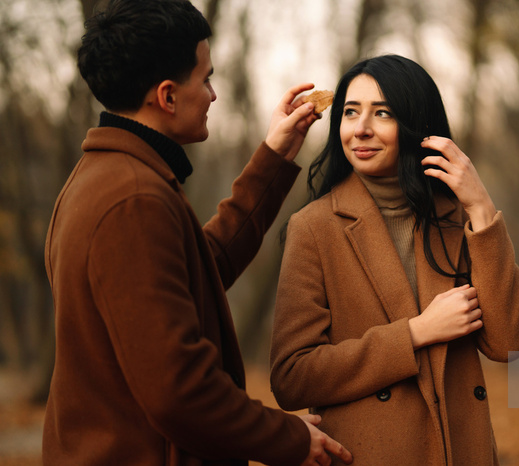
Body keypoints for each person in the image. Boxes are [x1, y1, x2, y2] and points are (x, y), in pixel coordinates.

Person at [43, 1, 353, 465]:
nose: (213, 95)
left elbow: (198, 273)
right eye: (205, 79)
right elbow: (178, 388)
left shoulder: (108, 176)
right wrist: (286, 438)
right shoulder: (133, 201)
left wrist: (273, 155)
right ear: (167, 96)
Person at [269, 54, 519, 465]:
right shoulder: (315, 227)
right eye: (350, 112)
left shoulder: (453, 216)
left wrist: (481, 208)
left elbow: (509, 344)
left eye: (382, 113)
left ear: (416, 125)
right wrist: (414, 333)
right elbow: (292, 376)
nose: (361, 129)